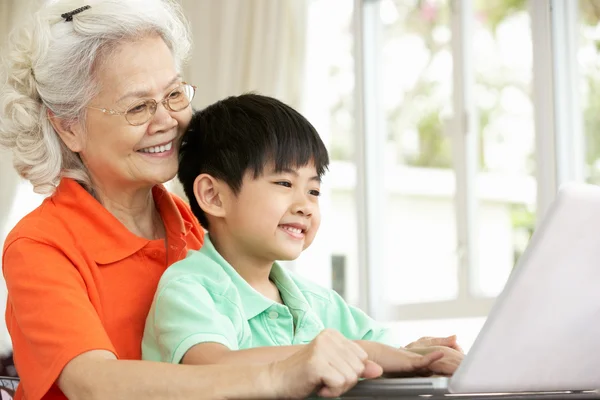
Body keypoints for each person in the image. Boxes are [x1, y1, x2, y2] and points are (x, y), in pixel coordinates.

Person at [0, 1, 447, 399]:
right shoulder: (41, 245)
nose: (168, 121)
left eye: (174, 94)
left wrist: (400, 357)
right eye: (138, 107)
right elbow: (94, 385)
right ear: (69, 127)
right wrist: (277, 375)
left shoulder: (201, 229)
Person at [142, 94, 464, 375]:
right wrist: (351, 352)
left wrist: (416, 353)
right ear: (213, 196)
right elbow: (213, 367)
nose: (305, 206)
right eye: (285, 184)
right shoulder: (189, 288)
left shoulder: (316, 302)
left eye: (313, 190)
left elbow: (380, 350)